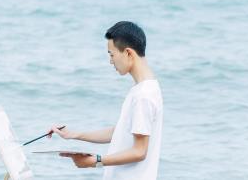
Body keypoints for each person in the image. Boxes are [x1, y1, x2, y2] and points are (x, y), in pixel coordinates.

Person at [47, 21, 163, 180]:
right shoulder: (145, 89)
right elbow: (122, 131)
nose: (110, 61)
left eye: (112, 54)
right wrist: (75, 134)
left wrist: (96, 161)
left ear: (128, 53)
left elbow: (139, 151)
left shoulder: (143, 95)